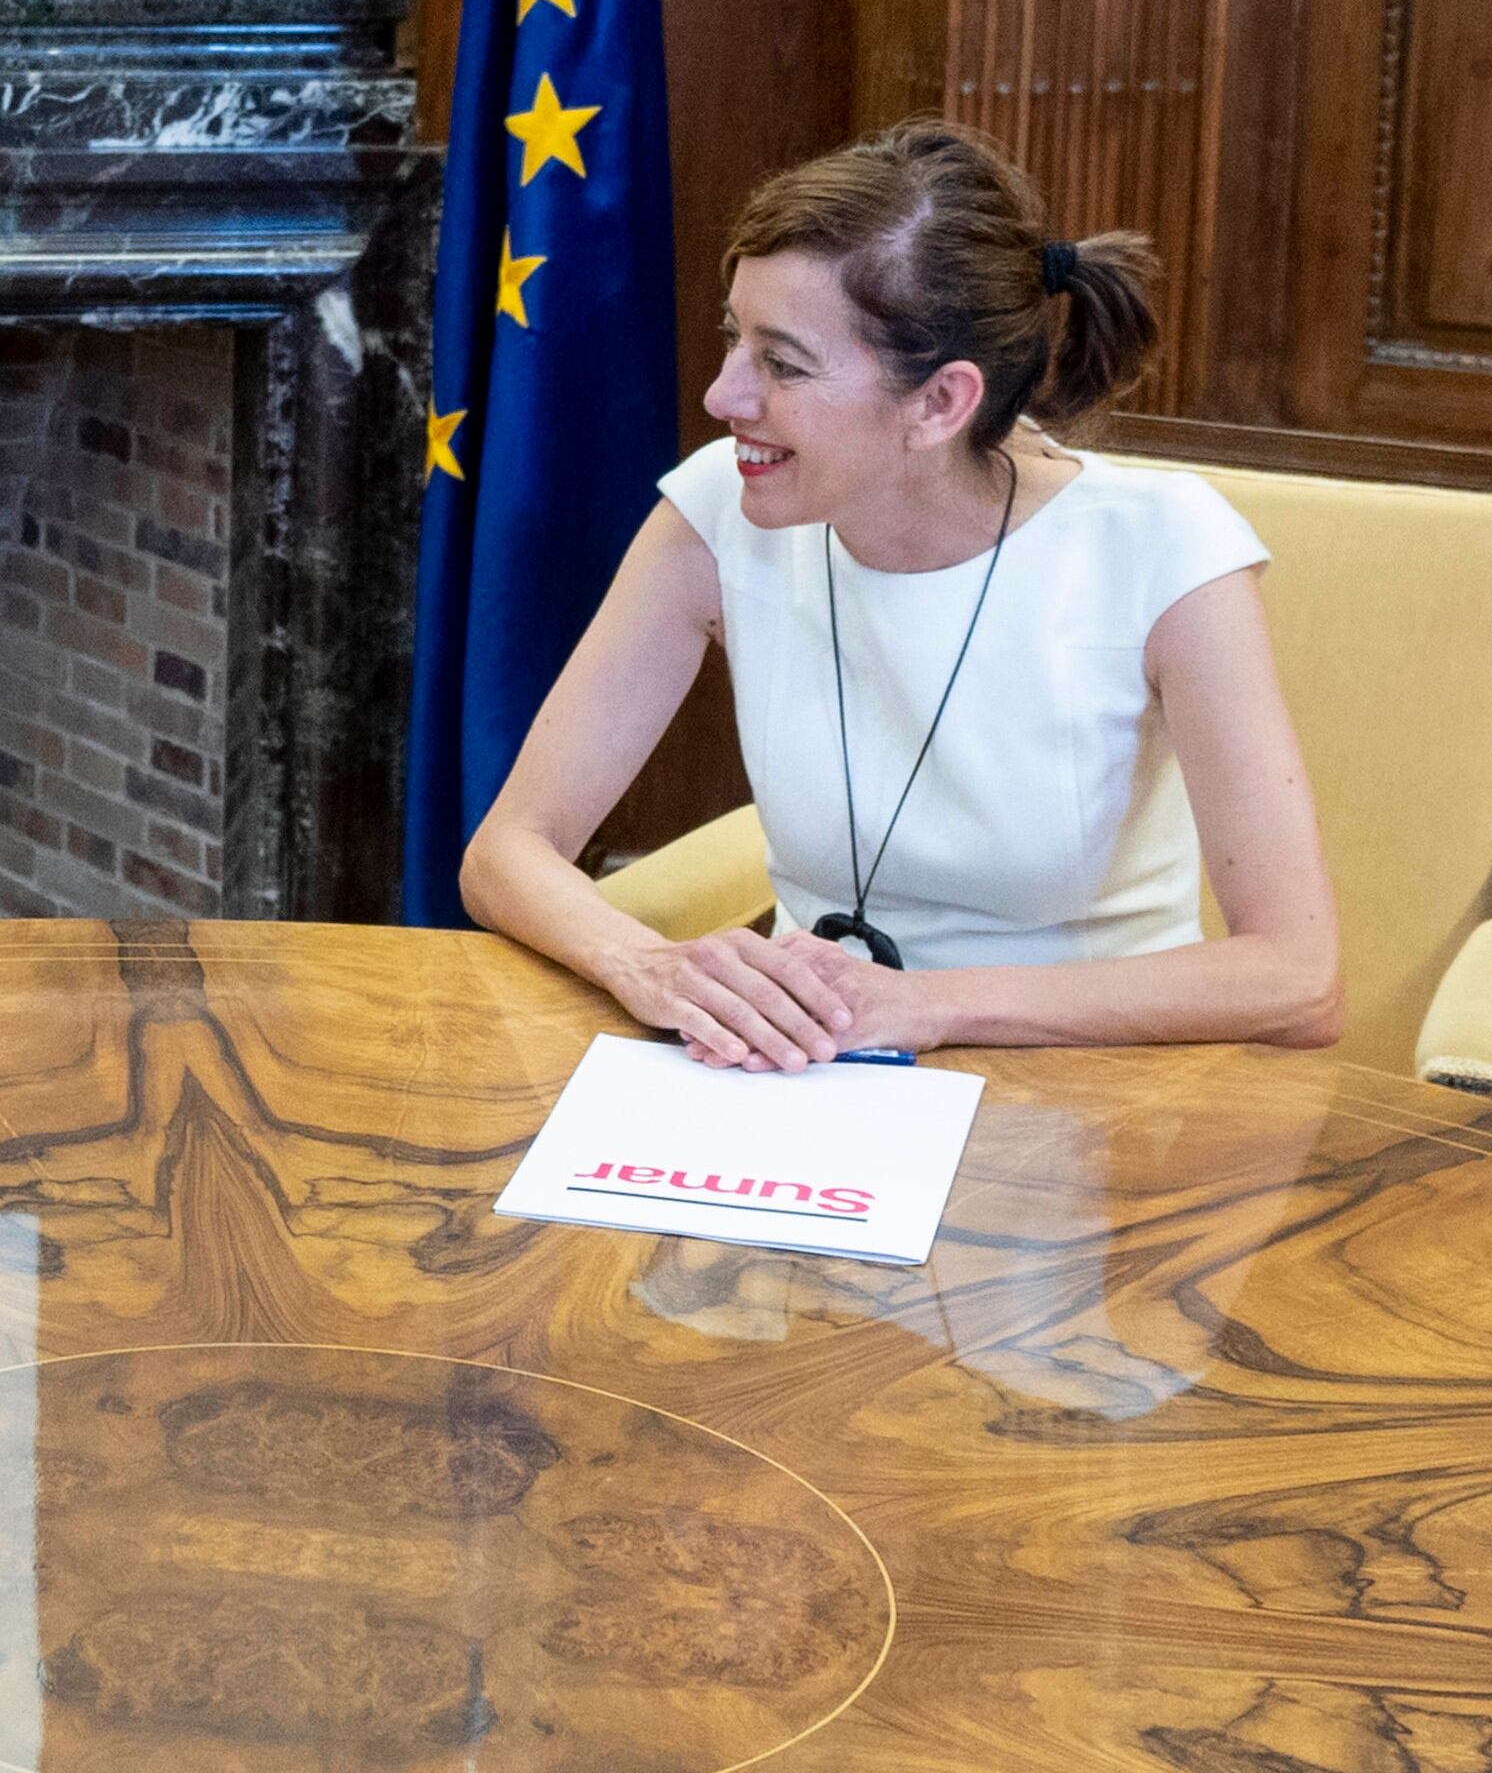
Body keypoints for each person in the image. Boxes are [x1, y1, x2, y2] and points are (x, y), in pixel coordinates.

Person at [460, 118, 1340, 1071]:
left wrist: (924, 1006)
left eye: (782, 364)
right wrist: (645, 964)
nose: (722, 396)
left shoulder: (1161, 546)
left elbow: (1296, 978)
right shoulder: (719, 507)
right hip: (808, 1079)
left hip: (1104, 1097)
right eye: (734, 339)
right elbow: (508, 849)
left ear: (940, 402)